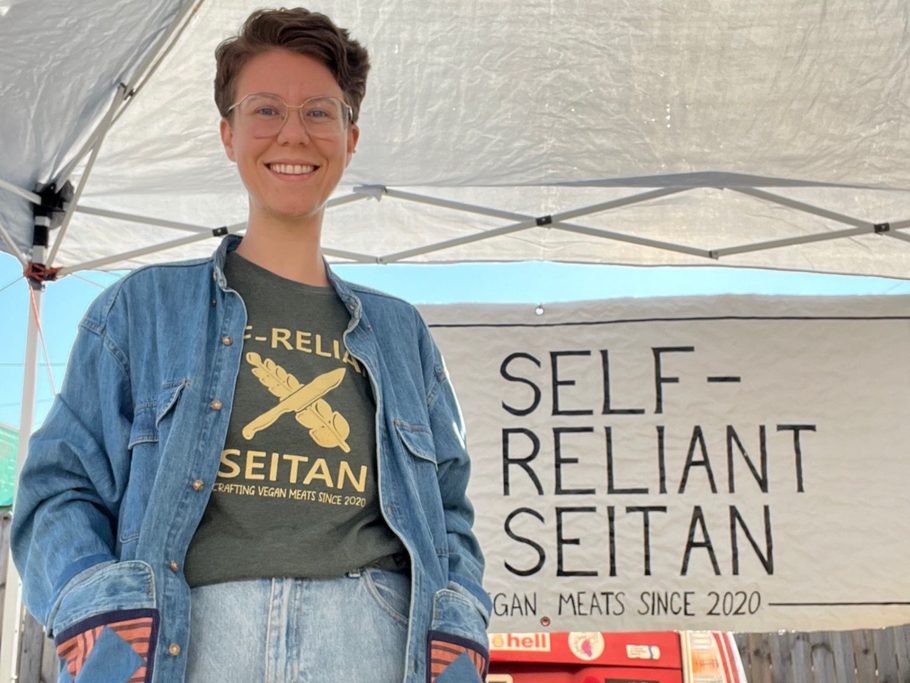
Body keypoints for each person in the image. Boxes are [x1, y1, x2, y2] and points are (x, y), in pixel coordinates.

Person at [11, 8, 491, 682]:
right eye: (266, 110)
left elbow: (448, 512)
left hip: (371, 643)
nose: (292, 132)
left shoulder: (401, 332)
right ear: (228, 133)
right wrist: (104, 618)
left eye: (319, 113)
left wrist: (459, 622)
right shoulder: (142, 309)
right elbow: (60, 488)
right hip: (187, 644)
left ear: (350, 139)